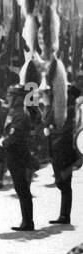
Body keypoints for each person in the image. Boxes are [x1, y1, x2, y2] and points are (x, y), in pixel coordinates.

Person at [0, 84, 39, 232]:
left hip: (19, 155)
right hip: (14, 154)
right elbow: (7, 134)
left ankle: (28, 222)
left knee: (23, 189)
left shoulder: (20, 114)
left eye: (10, 95)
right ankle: (26, 221)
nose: (8, 97)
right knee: (20, 189)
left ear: (17, 98)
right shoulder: (14, 112)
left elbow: (13, 136)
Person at [48, 83, 82, 225]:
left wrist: (53, 130)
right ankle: (64, 214)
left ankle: (65, 215)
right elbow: (49, 121)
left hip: (68, 150)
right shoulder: (59, 107)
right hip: (56, 148)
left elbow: (68, 128)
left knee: (64, 182)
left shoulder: (76, 111)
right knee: (60, 181)